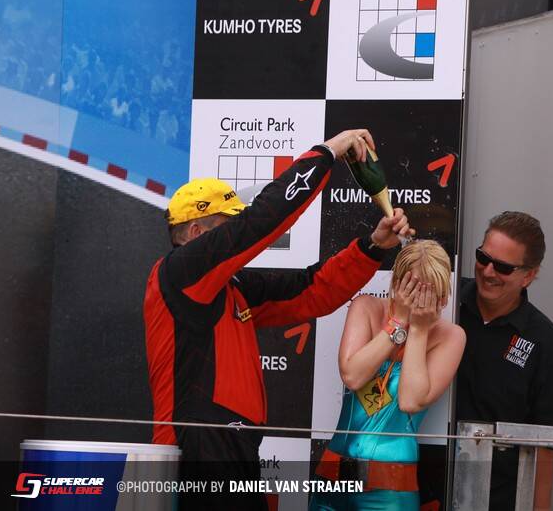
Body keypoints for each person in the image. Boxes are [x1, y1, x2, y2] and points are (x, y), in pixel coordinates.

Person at [143, 129, 414, 510]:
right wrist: (327, 152)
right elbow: (261, 221)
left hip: (234, 446)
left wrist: (373, 247)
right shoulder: (179, 272)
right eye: (226, 226)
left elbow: (312, 291)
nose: (236, 236)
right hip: (196, 447)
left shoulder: (231, 286)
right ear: (195, 232)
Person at [311, 240, 466, 511]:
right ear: (396, 283)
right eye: (413, 290)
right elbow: (352, 376)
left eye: (431, 293)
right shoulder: (367, 308)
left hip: (392, 483)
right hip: (335, 474)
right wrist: (397, 324)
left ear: (443, 295)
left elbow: (410, 401)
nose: (421, 301)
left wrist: (418, 331)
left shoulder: (451, 336)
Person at [455, 211, 553, 511]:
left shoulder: (545, 340)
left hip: (497, 500)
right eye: (483, 258)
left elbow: (546, 443)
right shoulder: (446, 300)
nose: (488, 271)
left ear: (528, 276)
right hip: (421, 492)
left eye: (503, 267)